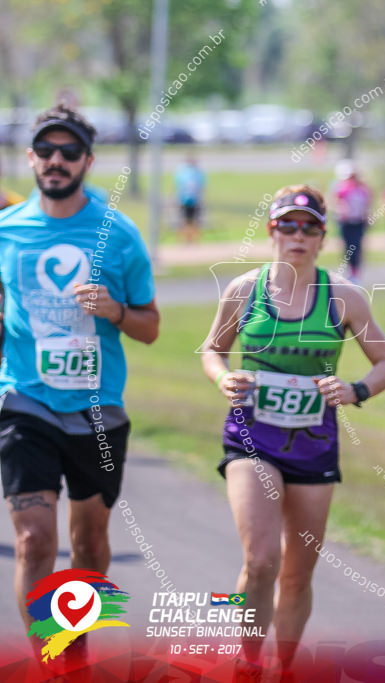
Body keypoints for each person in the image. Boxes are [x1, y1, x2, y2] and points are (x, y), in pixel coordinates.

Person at [200, 185, 385, 674]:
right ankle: (248, 665)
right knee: (263, 559)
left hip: (314, 444)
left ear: (322, 236)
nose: (298, 235)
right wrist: (225, 377)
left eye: (309, 227)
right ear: (272, 232)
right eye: (287, 225)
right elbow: (211, 350)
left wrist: (356, 390)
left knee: (296, 572)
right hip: (251, 438)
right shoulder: (244, 291)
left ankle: (283, 666)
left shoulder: (343, 296)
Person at [0, 105, 159, 653]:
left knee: (89, 544)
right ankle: (55, 659)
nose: (56, 161)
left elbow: (151, 326)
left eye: (69, 152)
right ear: (31, 158)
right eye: (46, 151)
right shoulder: (7, 231)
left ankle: (77, 644)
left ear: (88, 161)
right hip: (25, 403)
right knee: (32, 540)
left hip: (97, 410)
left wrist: (114, 311)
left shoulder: (118, 234)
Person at [330, 160, 372, 282]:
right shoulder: (341, 188)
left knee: (357, 245)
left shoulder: (362, 189)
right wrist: (341, 211)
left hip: (358, 221)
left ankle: (356, 271)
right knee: (347, 245)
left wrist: (367, 216)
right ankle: (349, 269)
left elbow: (366, 204)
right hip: (346, 221)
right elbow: (336, 203)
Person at [174, 155, 205, 244]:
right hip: (188, 200)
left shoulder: (184, 172)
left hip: (189, 200)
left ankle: (190, 240)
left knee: (189, 221)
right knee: (189, 221)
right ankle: (189, 240)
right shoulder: (194, 173)